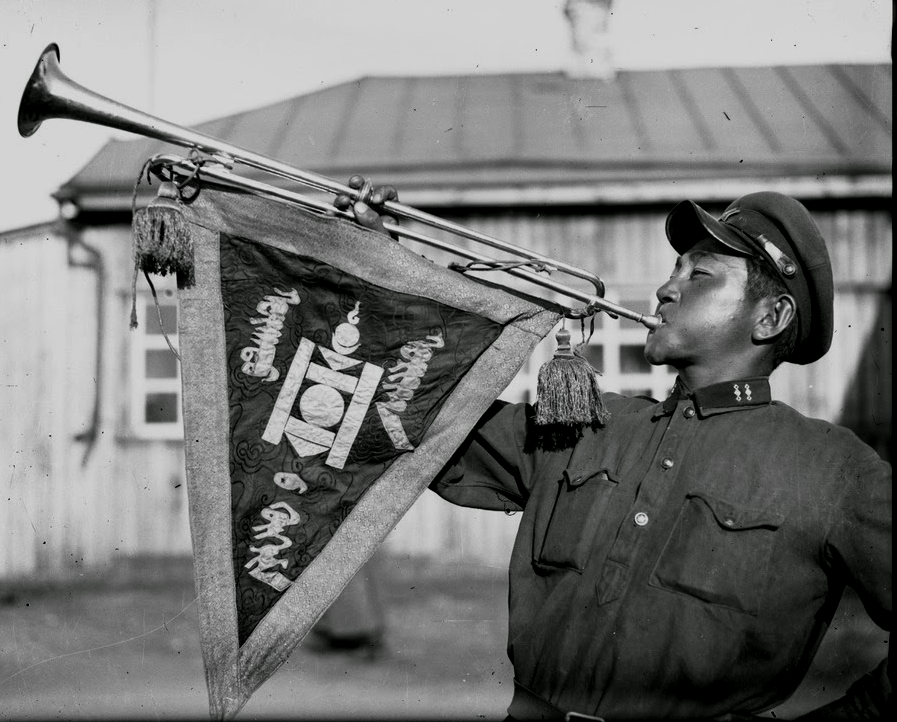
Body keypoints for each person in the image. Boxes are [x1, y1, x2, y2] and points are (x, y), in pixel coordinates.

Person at [338, 183, 891, 720]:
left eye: (700, 274)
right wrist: (378, 274)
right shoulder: (588, 423)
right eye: (673, 270)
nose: (665, 289)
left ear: (770, 318)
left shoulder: (837, 472)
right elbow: (423, 411)